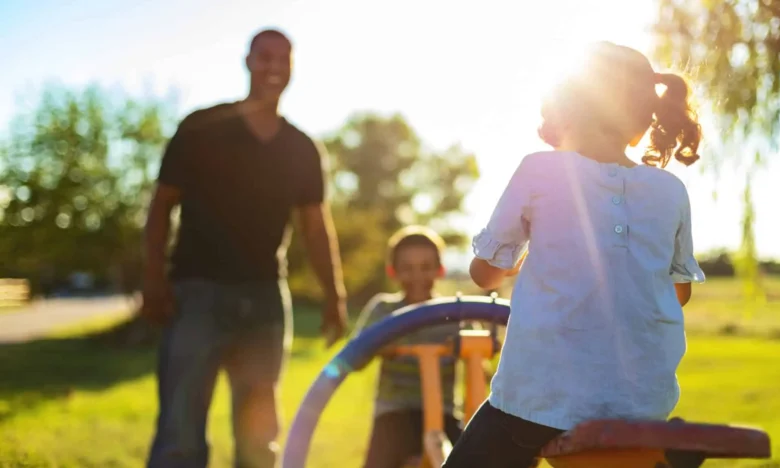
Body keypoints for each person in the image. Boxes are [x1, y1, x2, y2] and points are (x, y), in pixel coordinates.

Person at [442, 42, 707, 468]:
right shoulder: (669, 190)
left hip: (541, 398)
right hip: (641, 404)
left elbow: (485, 275)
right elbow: (679, 293)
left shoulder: (539, 169)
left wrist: (514, 262)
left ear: (566, 109)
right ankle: (664, 450)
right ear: (640, 121)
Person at [142, 28, 347, 468]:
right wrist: (153, 280)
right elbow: (161, 206)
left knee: (258, 442)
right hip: (196, 294)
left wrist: (335, 296)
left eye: (283, 59)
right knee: (180, 436)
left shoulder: (301, 148)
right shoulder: (201, 128)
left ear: (292, 68)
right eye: (264, 57)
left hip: (265, 301)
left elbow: (315, 227)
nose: (274, 67)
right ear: (248, 61)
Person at [353, 226, 467, 468]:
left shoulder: (455, 313)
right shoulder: (384, 310)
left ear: (440, 270)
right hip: (394, 413)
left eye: (426, 267)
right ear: (393, 271)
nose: (417, 276)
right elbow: (354, 358)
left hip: (443, 414)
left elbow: (480, 354)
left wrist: (471, 348)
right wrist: (380, 345)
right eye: (407, 268)